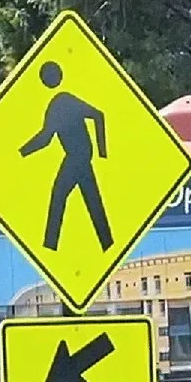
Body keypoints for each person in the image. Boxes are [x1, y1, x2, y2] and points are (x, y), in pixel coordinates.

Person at [20, 60, 113, 253]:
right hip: (78, 156)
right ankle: (106, 244)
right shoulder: (57, 104)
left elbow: (98, 115)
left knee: (60, 196)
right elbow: (46, 138)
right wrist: (21, 152)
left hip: (78, 157)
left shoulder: (64, 101)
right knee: (91, 200)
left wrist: (103, 151)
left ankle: (50, 245)